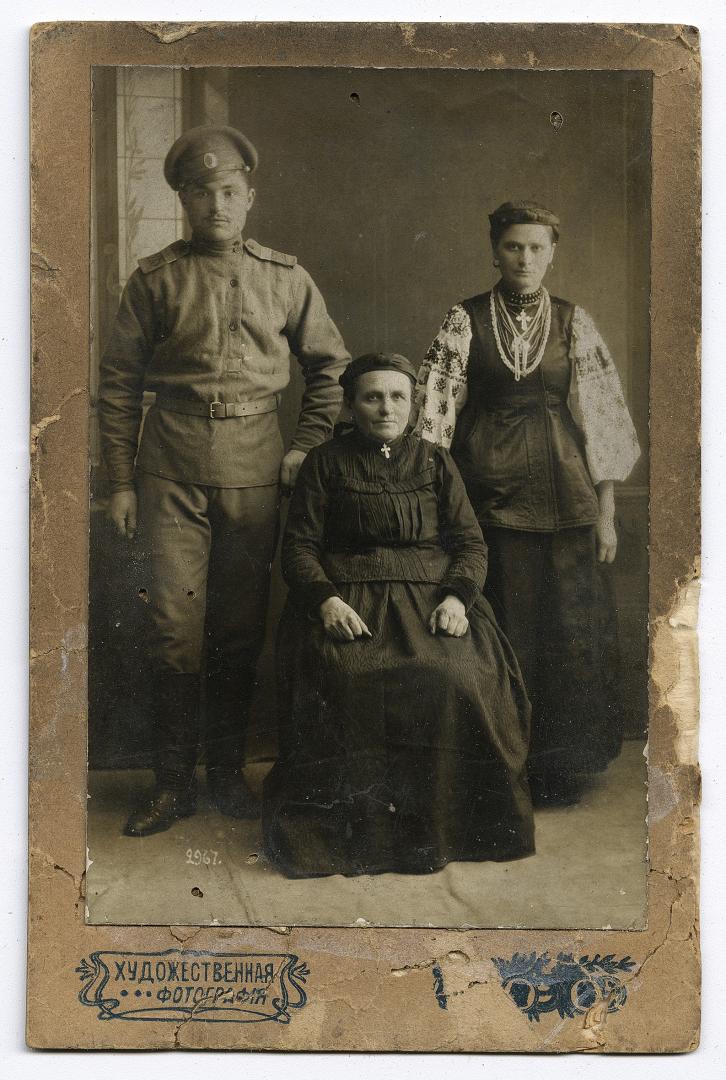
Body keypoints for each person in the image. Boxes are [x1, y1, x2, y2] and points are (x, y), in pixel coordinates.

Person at [99, 125, 350, 836]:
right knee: (173, 629)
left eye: (230, 191)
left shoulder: (286, 277)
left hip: (254, 467)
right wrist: (121, 481)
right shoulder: (155, 279)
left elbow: (330, 368)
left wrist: (305, 445)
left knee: (239, 631)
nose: (218, 204)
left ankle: (227, 779)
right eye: (202, 192)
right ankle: (172, 786)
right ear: (183, 198)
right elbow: (118, 385)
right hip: (170, 468)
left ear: (250, 197)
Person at [262, 352, 534, 878]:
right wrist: (326, 602)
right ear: (351, 403)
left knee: (454, 674)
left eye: (397, 397)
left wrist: (457, 599)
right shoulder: (325, 462)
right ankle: (361, 835)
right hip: (349, 603)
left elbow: (470, 544)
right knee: (348, 675)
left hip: (432, 601)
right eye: (372, 396)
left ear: (412, 404)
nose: (385, 407)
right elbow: (298, 549)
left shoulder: (434, 461)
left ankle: (441, 829)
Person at [413, 200, 640, 805]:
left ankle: (562, 769)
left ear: (552, 254)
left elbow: (603, 421)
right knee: (506, 627)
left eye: (537, 247)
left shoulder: (573, 323)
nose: (525, 258)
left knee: (569, 628)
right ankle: (498, 764)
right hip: (488, 499)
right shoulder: (463, 321)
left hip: (567, 499)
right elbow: (432, 423)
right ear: (495, 251)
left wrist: (608, 514)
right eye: (514, 246)